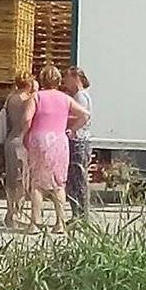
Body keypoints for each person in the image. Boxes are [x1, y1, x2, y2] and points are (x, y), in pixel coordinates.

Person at [26, 63, 90, 234]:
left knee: (37, 183)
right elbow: (85, 114)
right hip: (59, 141)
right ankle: (60, 223)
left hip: (39, 139)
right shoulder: (66, 98)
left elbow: (26, 119)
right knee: (59, 183)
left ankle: (35, 223)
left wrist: (25, 134)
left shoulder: (36, 97)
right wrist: (71, 129)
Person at [2, 73, 37, 229]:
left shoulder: (10, 98)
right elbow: (28, 120)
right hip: (22, 142)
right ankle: (15, 214)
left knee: (11, 179)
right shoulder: (27, 100)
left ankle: (10, 211)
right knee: (21, 180)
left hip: (10, 140)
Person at [63, 66, 93, 221]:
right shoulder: (82, 95)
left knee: (77, 180)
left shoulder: (80, 97)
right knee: (77, 179)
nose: (65, 82)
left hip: (78, 141)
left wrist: (71, 129)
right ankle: (79, 215)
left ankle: (80, 216)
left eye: (67, 79)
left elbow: (83, 116)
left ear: (75, 78)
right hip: (83, 140)